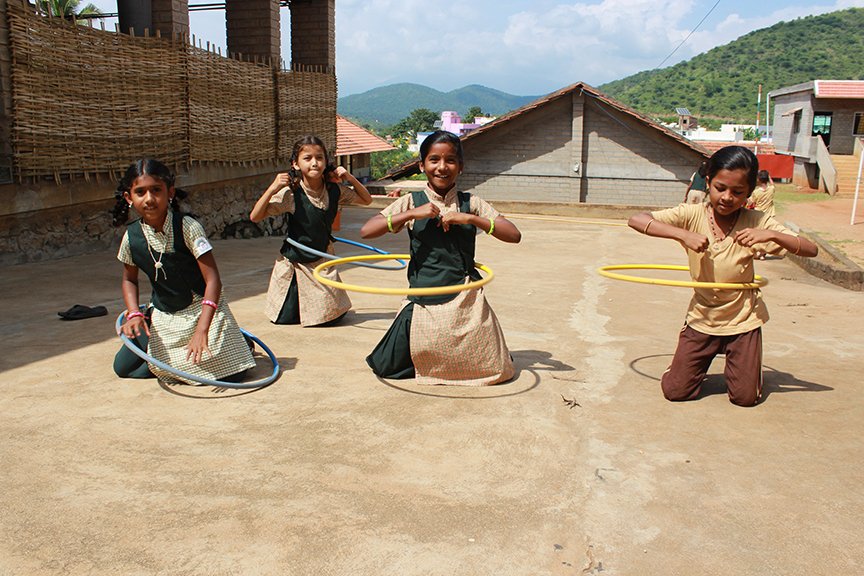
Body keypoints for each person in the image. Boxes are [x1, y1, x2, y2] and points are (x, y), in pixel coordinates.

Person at [628, 146, 818, 406]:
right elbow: (637, 220)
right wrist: (683, 234)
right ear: (708, 182)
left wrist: (772, 235)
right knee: (675, 391)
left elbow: (811, 249)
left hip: (742, 318)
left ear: (749, 193)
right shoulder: (691, 214)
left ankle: (743, 368)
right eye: (720, 188)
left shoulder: (757, 220)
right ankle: (684, 368)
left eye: (738, 192)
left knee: (745, 398)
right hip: (703, 314)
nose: (727, 197)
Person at [360, 130, 521, 386]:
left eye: (451, 160)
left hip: (465, 293)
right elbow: (367, 230)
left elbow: (513, 235)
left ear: (461, 166)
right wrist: (412, 213)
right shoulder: (411, 201)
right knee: (386, 365)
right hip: (425, 294)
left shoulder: (472, 202)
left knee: (498, 369)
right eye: (434, 160)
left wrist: (470, 218)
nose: (442, 167)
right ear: (422, 165)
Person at [111, 159, 256, 384]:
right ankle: (172, 361)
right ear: (129, 198)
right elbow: (129, 279)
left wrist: (202, 330)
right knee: (123, 367)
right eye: (140, 192)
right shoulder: (131, 237)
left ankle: (236, 340)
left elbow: (213, 280)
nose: (149, 199)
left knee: (234, 373)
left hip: (200, 309)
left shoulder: (188, 227)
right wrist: (134, 313)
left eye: (156, 190)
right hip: (164, 314)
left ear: (170, 192)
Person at [250, 135, 372, 326]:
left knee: (330, 317)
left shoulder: (334, 190)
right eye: (307, 158)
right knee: (285, 318)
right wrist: (273, 188)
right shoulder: (291, 194)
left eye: (320, 158)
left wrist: (348, 177)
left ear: (326, 162)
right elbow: (255, 216)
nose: (314, 163)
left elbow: (367, 200)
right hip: (295, 259)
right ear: (296, 164)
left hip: (321, 257)